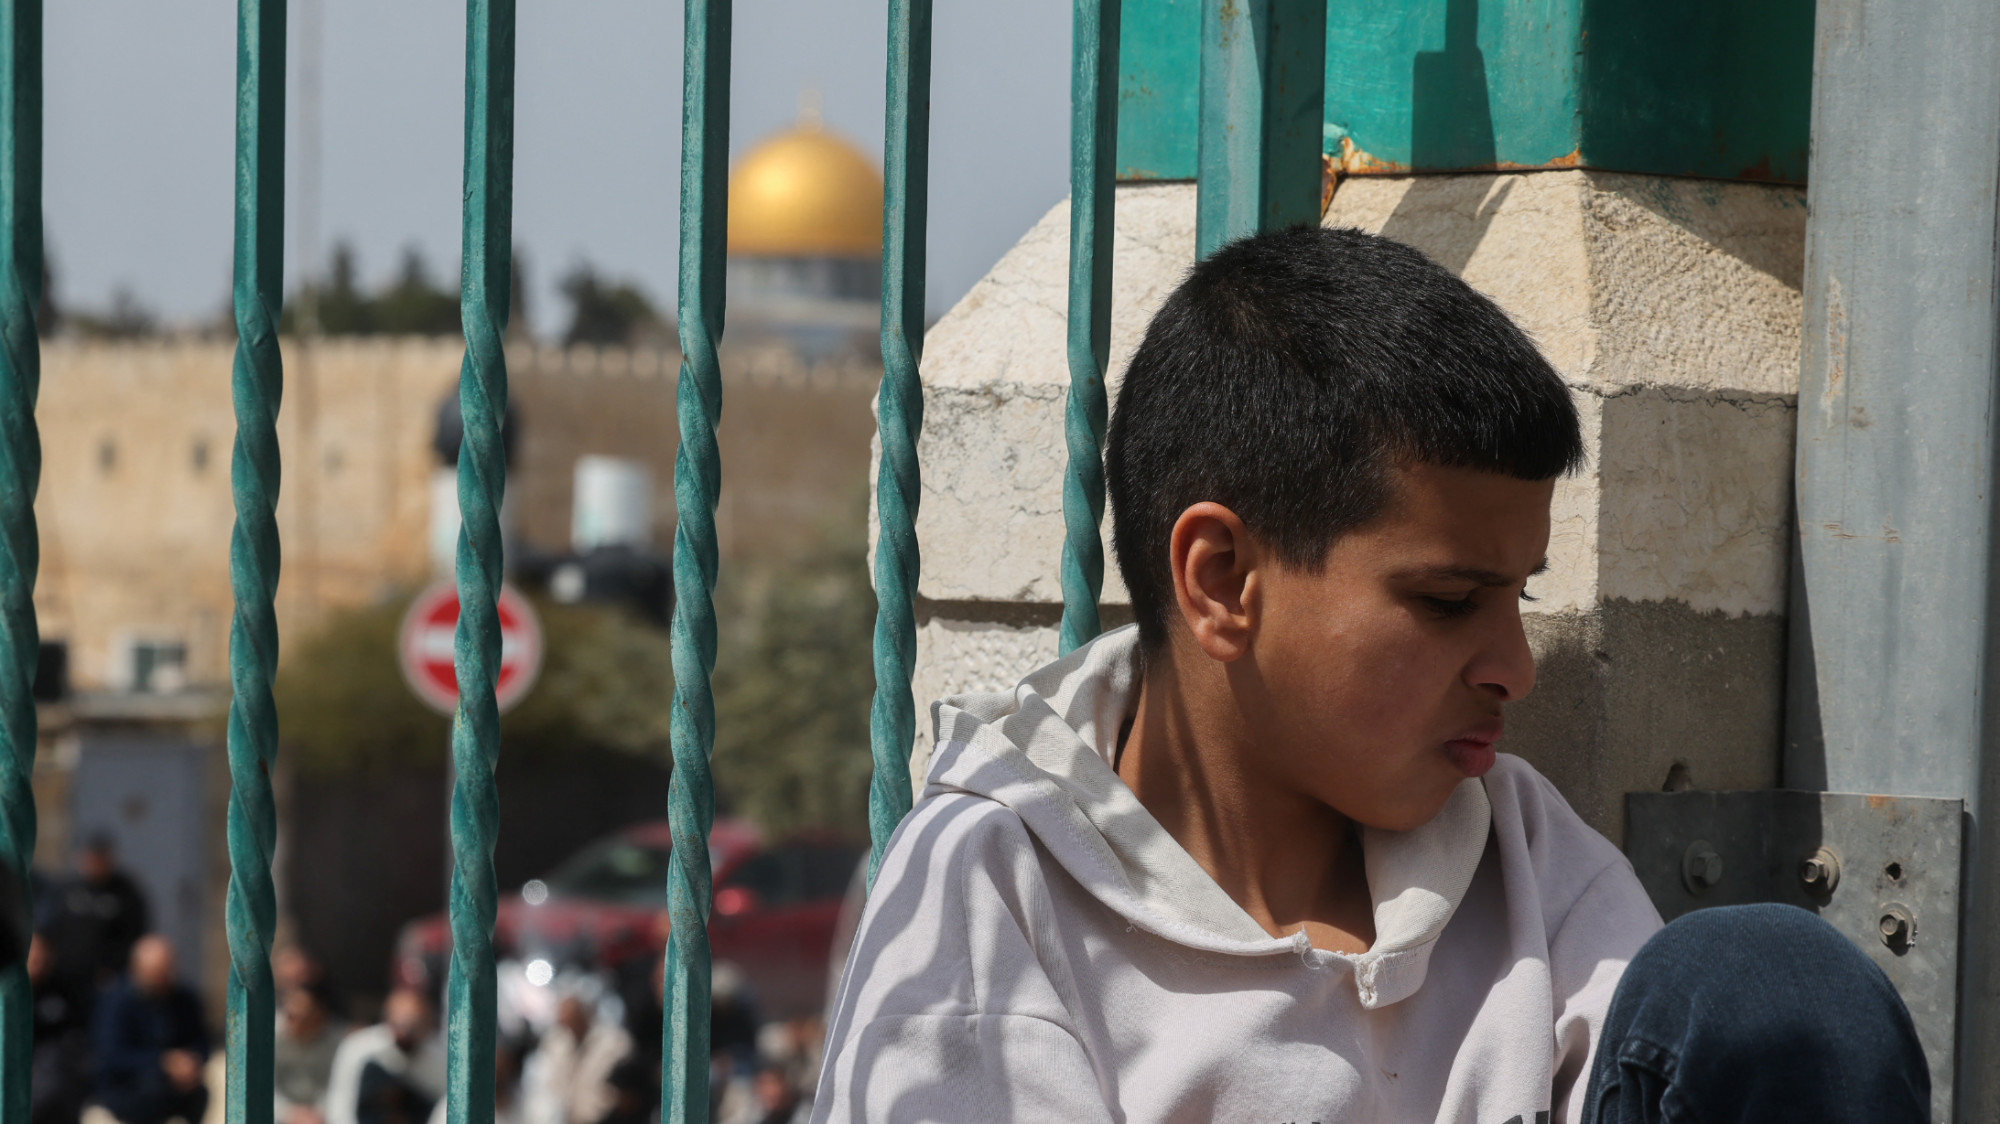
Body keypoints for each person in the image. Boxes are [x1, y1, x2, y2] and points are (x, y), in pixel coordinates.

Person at [811, 227, 1930, 1122]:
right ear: (1221, 576)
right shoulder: (990, 888)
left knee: (1775, 987)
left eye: (1517, 595)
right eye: (1448, 602)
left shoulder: (1519, 853)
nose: (1512, 667)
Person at [89, 934, 209, 1124]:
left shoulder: (185, 999)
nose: (161, 979)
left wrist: (190, 1062)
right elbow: (111, 1054)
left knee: (200, 1092)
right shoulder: (116, 1002)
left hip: (175, 1086)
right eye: (154, 973)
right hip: (127, 1087)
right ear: (136, 970)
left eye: (166, 972)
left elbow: (201, 1041)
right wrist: (162, 1062)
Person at [321, 988, 445, 1124]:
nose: (405, 1033)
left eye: (413, 1026)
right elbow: (340, 1104)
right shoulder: (358, 1047)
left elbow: (444, 1107)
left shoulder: (441, 1057)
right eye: (400, 1024)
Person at [51, 834, 150, 994]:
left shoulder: (126, 893)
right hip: (64, 978)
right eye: (89, 857)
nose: (93, 863)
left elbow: (135, 935)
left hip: (107, 981)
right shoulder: (65, 890)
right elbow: (51, 928)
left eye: (98, 858)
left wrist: (114, 968)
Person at [520, 993, 631, 1124]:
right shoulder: (555, 1043)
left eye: (573, 1019)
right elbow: (546, 1084)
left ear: (584, 1015)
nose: (570, 1027)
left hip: (604, 1118)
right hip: (562, 1118)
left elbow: (626, 1089)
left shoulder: (615, 1042)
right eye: (564, 1023)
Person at [29, 933, 93, 1124]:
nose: (36, 961)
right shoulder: (7, 995)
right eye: (31, 956)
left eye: (41, 955)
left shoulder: (65, 989)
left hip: (58, 1080)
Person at [274, 975, 348, 1124]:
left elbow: (342, 1090)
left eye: (301, 1017)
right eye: (289, 1015)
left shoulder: (340, 1042)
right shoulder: (270, 1036)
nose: (292, 1022)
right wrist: (290, 1113)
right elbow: (262, 1089)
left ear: (320, 1015)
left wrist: (318, 1114)